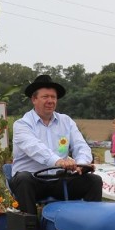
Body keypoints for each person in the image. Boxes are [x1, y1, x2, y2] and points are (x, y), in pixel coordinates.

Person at [11, 74, 102, 215]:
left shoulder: (66, 121)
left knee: (94, 181)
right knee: (23, 179)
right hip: (33, 181)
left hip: (59, 180)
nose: (50, 101)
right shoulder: (22, 124)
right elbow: (35, 147)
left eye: (53, 97)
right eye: (45, 97)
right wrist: (58, 161)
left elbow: (81, 145)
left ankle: (88, 225)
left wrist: (81, 164)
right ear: (34, 99)